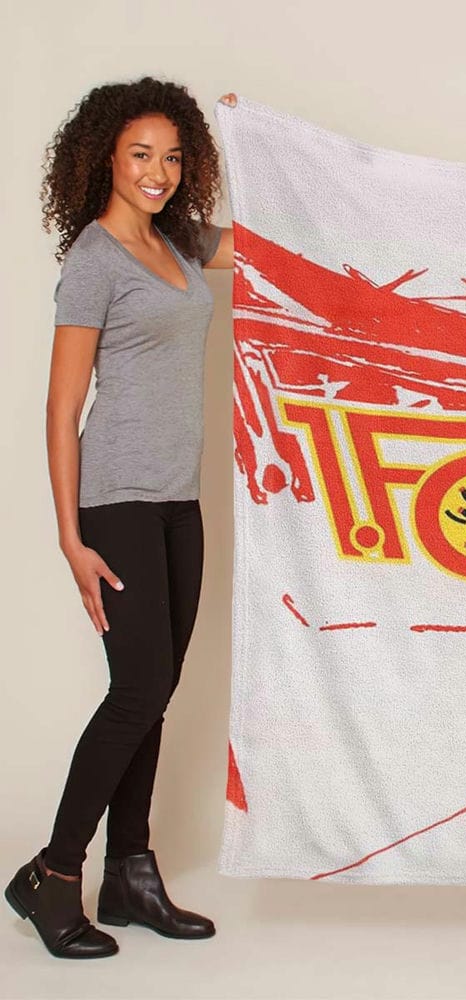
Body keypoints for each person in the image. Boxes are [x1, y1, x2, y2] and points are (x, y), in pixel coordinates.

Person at [4, 79, 237, 959]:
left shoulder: (178, 242)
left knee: (158, 690)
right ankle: (53, 874)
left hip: (179, 500)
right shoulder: (94, 261)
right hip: (116, 502)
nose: (158, 172)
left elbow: (265, 245)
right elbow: (62, 408)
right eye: (141, 154)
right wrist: (71, 538)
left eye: (174, 157)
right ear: (104, 155)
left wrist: (257, 139)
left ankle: (131, 874)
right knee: (137, 689)